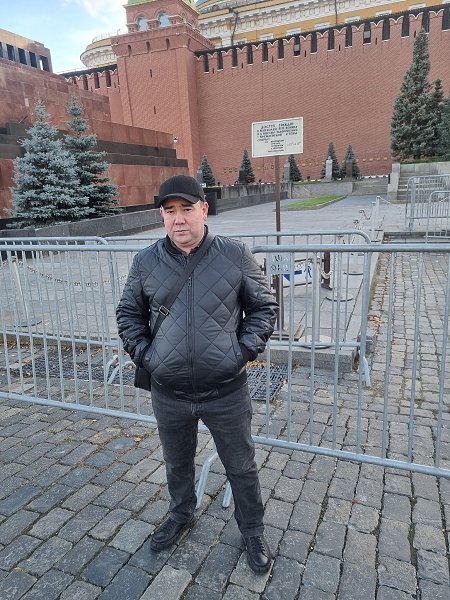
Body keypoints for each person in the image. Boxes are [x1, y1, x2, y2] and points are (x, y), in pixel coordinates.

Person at [116, 174, 278, 574]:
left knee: (241, 466)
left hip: (225, 390)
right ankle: (181, 514)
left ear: (204, 210)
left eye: (186, 209)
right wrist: (148, 356)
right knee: (177, 462)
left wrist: (240, 353)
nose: (178, 219)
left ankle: (252, 530)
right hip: (169, 391)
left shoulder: (234, 255)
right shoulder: (145, 262)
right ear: (162, 216)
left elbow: (263, 307)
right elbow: (128, 314)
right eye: (169, 211)